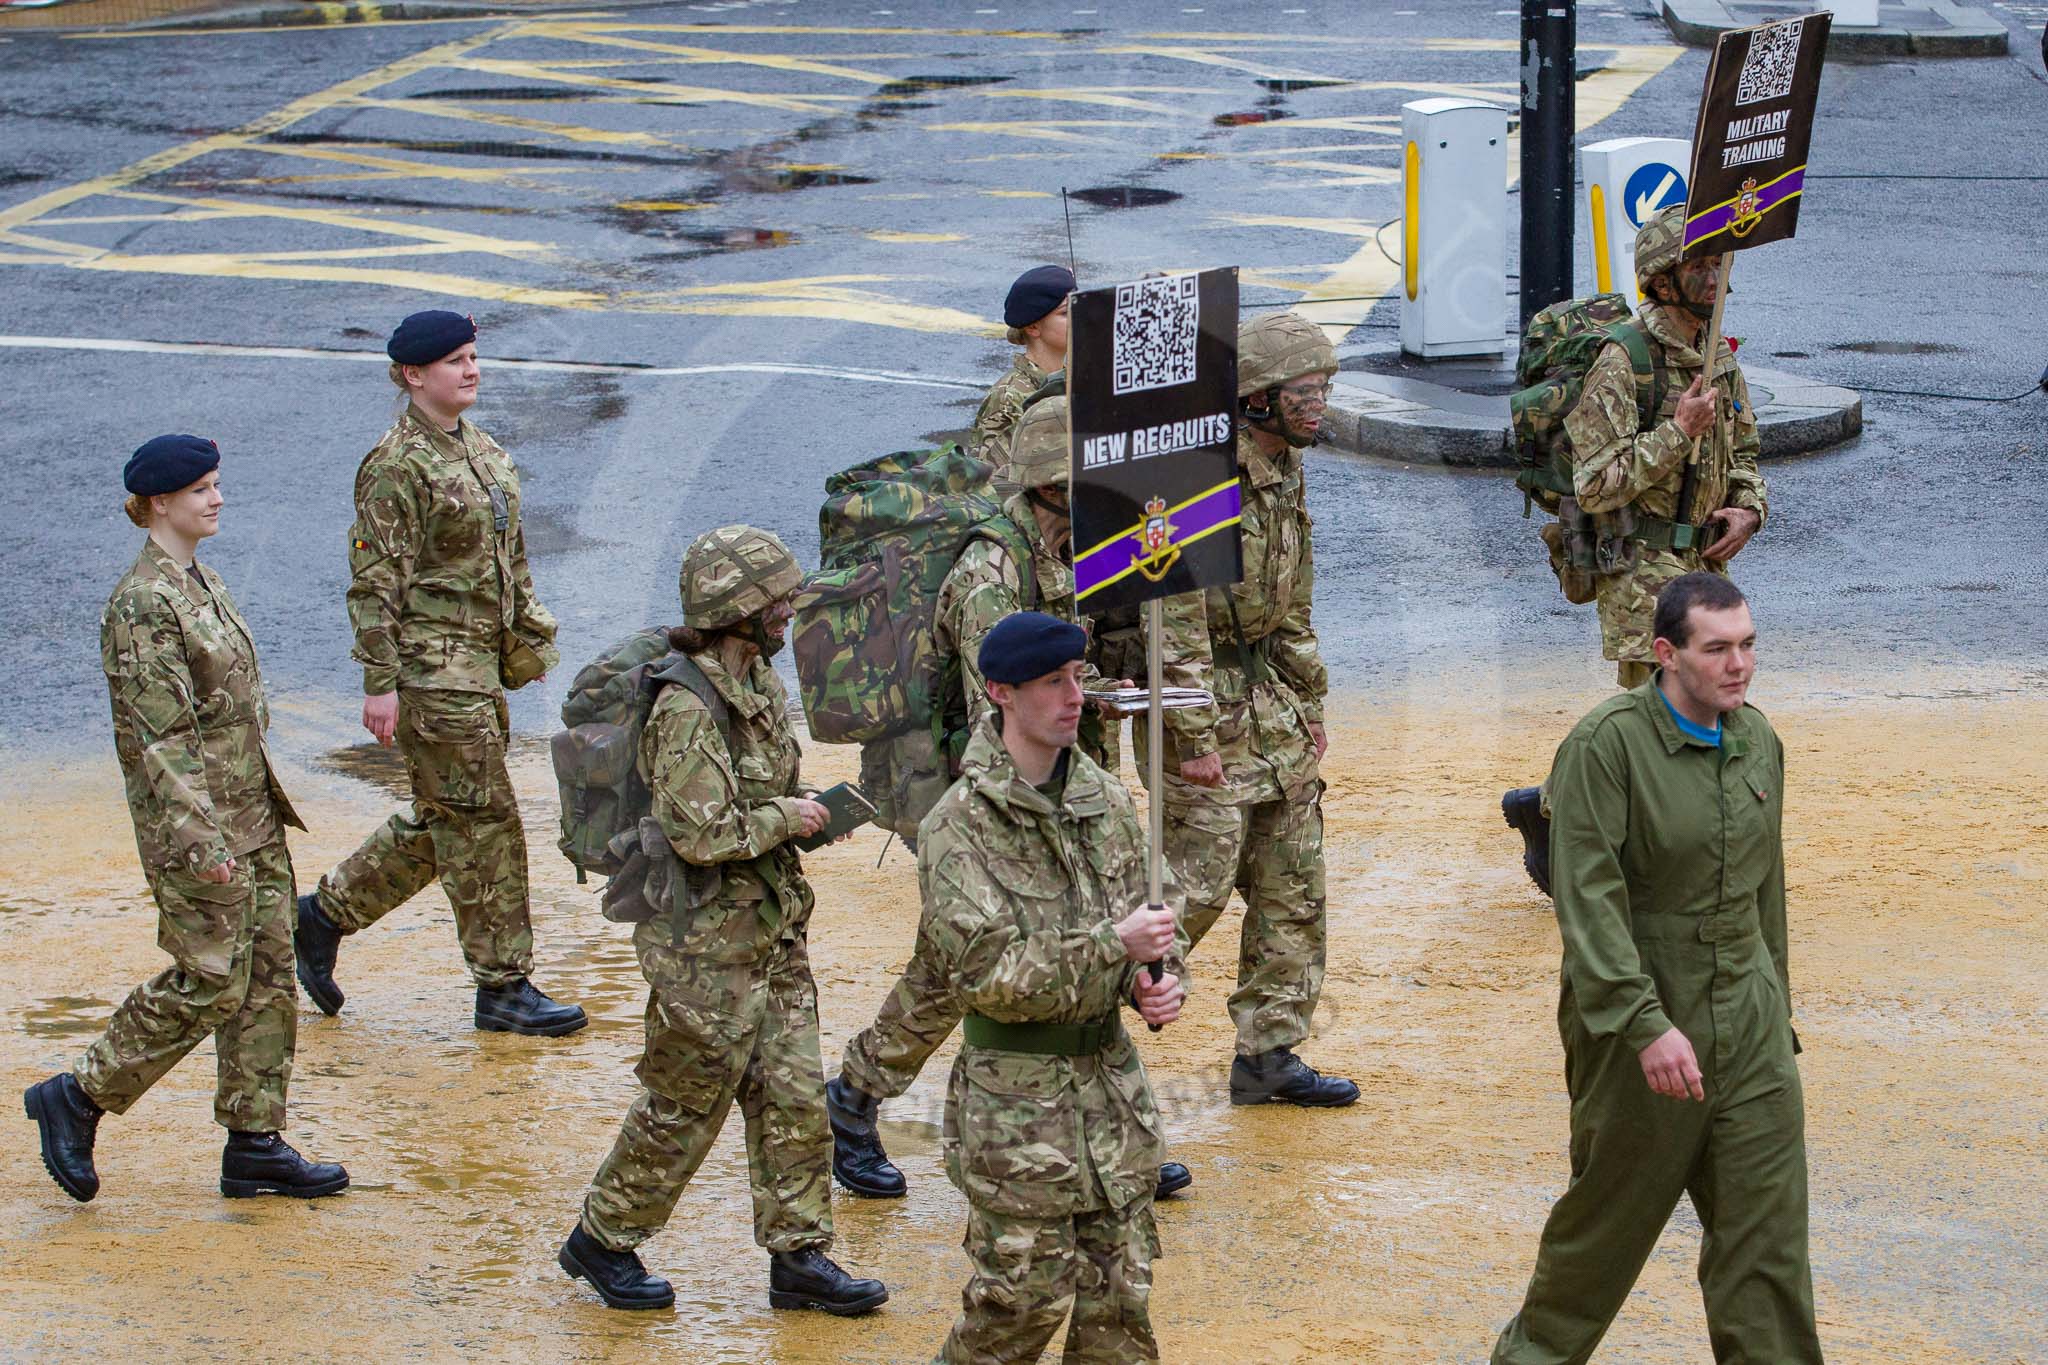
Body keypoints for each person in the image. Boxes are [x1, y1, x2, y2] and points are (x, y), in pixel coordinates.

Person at [826, 396, 1190, 1205]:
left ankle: (1102, 1125)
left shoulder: (1065, 550)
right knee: (969, 971)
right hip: (986, 804)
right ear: (1050, 483)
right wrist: (1071, 725)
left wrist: (1102, 692)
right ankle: (854, 1096)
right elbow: (997, 705)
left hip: (1059, 788)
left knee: (1063, 945)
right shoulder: (991, 570)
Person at [1490, 573, 1821, 1364]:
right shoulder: (1605, 748)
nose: (1738, 665)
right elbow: (1589, 902)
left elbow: (1762, 889)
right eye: (1717, 648)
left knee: (1767, 1252)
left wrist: (1776, 1011)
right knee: (1599, 1243)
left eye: (1747, 645)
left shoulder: (1758, 739)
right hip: (1640, 1024)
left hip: (1752, 1026)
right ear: (1666, 654)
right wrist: (1644, 1023)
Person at [558, 525, 887, 1318]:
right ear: (738, 607)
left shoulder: (759, 684)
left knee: (794, 1093)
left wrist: (805, 813)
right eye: (776, 599)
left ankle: (800, 1255)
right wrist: (790, 815)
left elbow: (767, 792)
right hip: (702, 941)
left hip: (768, 925)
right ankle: (604, 1236)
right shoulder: (685, 704)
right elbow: (697, 831)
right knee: (688, 1099)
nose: (788, 611)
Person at [23, 435, 347, 1203]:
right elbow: (160, 740)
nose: (217, 497)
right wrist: (202, 839)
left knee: (268, 977)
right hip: (199, 829)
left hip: (251, 814)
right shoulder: (143, 604)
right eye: (201, 488)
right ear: (159, 502)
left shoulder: (201, 582)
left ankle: (255, 1140)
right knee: (211, 979)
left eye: (217, 484)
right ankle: (78, 1093)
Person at [294, 310, 583, 1036]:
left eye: (474, 356)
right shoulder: (396, 465)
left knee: (446, 817)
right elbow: (374, 579)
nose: (472, 369)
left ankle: (322, 915)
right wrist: (379, 680)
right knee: (485, 821)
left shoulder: (482, 451)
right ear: (413, 375)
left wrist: (528, 645)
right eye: (455, 360)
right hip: (431, 673)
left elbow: (508, 560)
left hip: (479, 669)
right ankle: (503, 985)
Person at [920, 611, 1185, 1364]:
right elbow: (987, 975)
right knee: (1015, 1313)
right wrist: (1114, 947)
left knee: (1120, 1316)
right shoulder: (959, 826)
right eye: (1052, 682)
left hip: (1111, 1108)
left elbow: (1154, 918)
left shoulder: (1104, 801)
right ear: (1001, 691)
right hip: (1017, 1113)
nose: (1075, 696)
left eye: (1077, 678)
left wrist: (1154, 982)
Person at [1504, 204, 1770, 895]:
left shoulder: (1717, 358)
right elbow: (1595, 484)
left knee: (1700, 710)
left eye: (1718, 264)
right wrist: (1678, 431)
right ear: (1662, 279)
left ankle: (1552, 806)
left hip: (1703, 567)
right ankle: (1629, 854)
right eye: (1699, 266)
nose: (1714, 277)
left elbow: (1744, 453)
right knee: (1657, 723)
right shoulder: (1625, 362)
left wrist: (1748, 509)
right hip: (1640, 570)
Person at [1143, 310, 1357, 1107]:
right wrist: (1190, 733)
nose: (1320, 403)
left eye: (1325, 386)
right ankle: (1082, 1037)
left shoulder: (1285, 465)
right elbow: (1177, 612)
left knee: (1292, 879)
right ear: (1258, 399)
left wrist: (1309, 699)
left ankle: (1270, 1052)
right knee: (1187, 894)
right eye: (1306, 390)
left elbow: (1293, 600)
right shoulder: (1202, 478)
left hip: (1270, 701)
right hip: (1206, 703)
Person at [972, 264, 1073, 474]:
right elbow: (992, 479)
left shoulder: (1072, 381)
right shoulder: (1009, 397)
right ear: (1033, 327)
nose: (1078, 317)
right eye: (1066, 313)